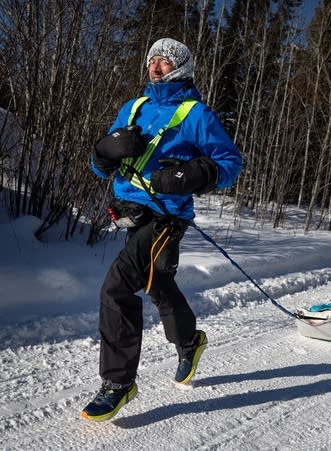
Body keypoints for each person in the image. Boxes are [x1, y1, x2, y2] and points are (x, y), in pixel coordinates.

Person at [81, 38, 243, 422]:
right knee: (158, 283)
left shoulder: (197, 114)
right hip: (131, 212)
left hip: (167, 218)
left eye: (165, 62)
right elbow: (99, 165)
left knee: (117, 289)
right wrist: (105, 151)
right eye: (152, 60)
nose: (156, 67)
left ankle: (118, 385)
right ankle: (190, 341)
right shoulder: (133, 107)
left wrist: (195, 172)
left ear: (181, 68)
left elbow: (230, 162)